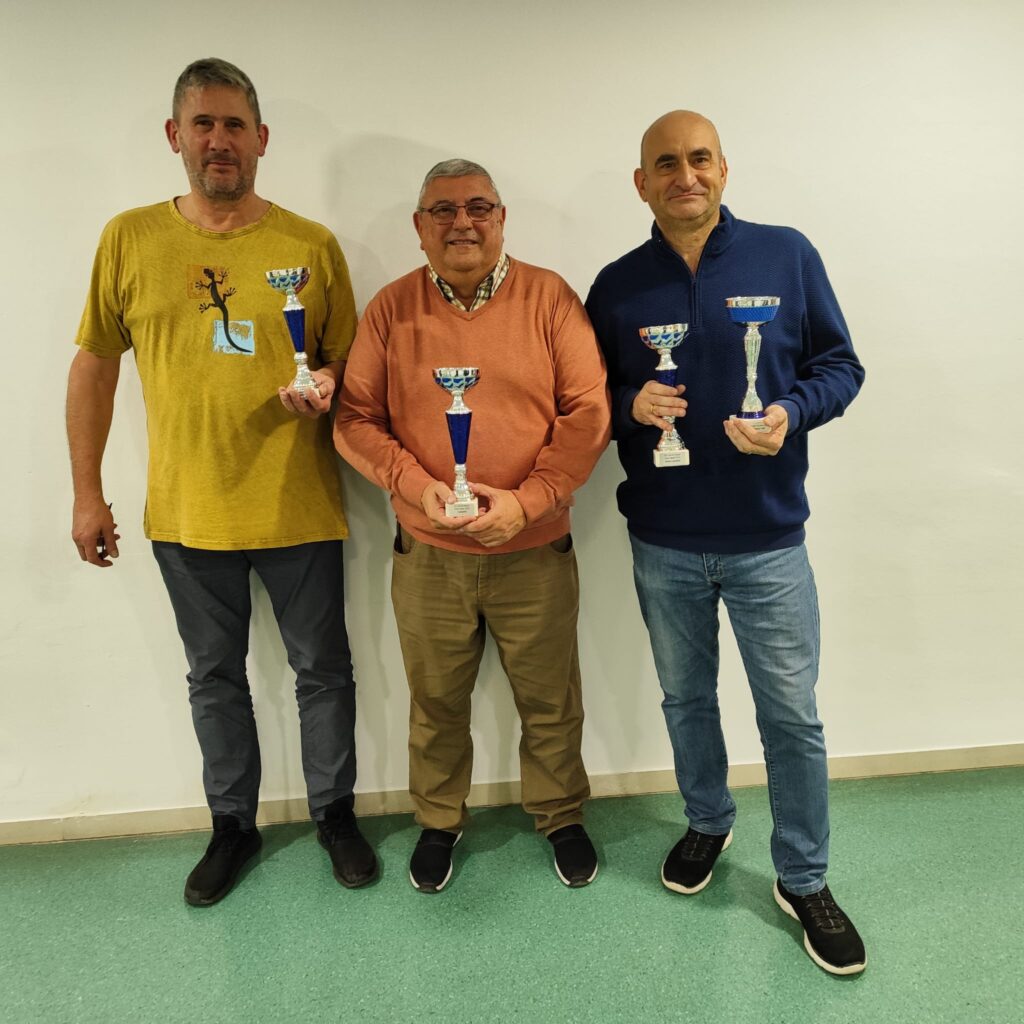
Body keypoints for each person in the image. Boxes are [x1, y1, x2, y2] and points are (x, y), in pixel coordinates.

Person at [65, 58, 376, 906]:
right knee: (214, 678)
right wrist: (87, 492)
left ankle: (335, 815)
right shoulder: (128, 239)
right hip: (187, 513)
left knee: (324, 670)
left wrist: (325, 384)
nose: (219, 139)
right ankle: (233, 825)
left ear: (261, 139)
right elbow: (94, 366)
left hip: (298, 505)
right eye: (202, 123)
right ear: (175, 136)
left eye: (235, 124)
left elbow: (351, 360)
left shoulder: (309, 246)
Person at [585, 111, 866, 975]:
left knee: (791, 715)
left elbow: (840, 366)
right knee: (686, 700)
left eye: (699, 158)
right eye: (666, 163)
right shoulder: (617, 286)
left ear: (723, 169)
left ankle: (804, 876)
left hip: (768, 539)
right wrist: (629, 404)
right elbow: (583, 396)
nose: (686, 175)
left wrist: (789, 412)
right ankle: (708, 822)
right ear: (641, 183)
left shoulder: (787, 255)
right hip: (663, 540)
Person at [335, 159, 610, 893]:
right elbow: (354, 419)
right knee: (435, 704)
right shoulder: (391, 310)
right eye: (444, 209)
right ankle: (438, 820)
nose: (463, 222)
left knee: (551, 700)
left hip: (535, 549)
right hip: (429, 555)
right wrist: (417, 488)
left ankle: (560, 815)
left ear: (502, 218)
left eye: (479, 207)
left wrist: (530, 500)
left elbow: (588, 413)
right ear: (419, 226)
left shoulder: (550, 299)